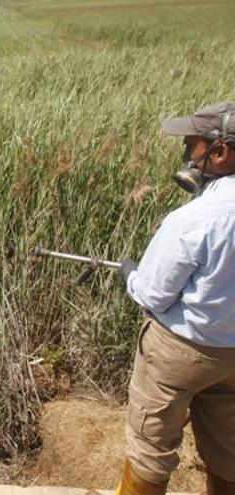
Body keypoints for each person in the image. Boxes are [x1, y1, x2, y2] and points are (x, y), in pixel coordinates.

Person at [116, 102, 235, 495]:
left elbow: (153, 294)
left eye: (192, 146)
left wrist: (130, 274)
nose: (188, 156)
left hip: (180, 352)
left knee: (151, 449)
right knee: (229, 451)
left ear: (220, 152)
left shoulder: (193, 219)